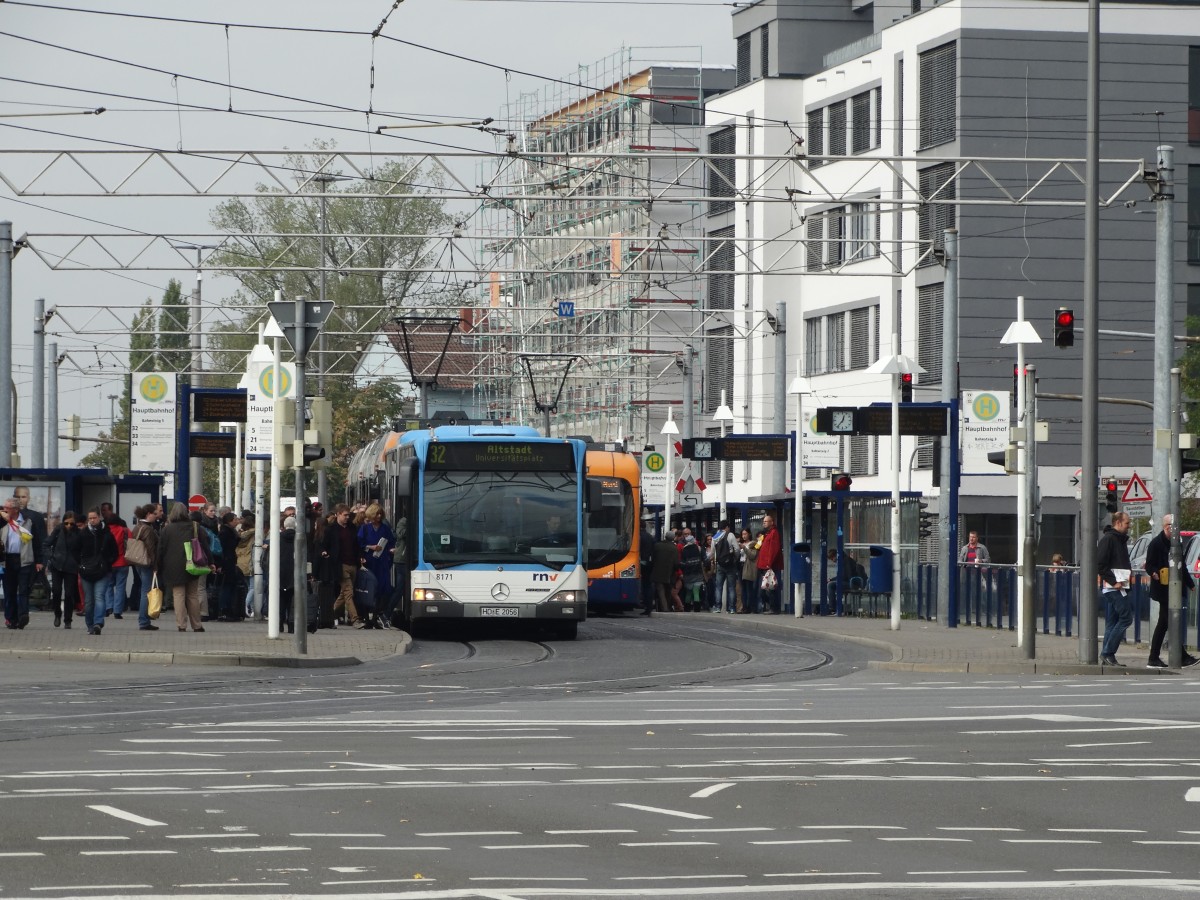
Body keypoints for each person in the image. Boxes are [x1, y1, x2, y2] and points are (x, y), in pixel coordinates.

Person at [1144, 514, 1198, 668]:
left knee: (1163, 624)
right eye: (1173, 526)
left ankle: (1154, 658)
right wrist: (1154, 573)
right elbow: (1149, 565)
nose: (1176, 529)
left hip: (1174, 588)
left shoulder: (1176, 543)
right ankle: (1182, 657)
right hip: (1163, 589)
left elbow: (1182, 565)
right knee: (1171, 622)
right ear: (1166, 527)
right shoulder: (1156, 544)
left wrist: (1190, 584)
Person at [158, 502, 205, 633]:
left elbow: (160, 549)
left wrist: (157, 566)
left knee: (178, 595)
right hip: (192, 564)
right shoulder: (195, 526)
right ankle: (197, 625)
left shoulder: (167, 529)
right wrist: (210, 562)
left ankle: (181, 625)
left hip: (173, 566)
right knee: (192, 595)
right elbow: (204, 545)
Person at [1097, 511, 1133, 667]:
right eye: (1127, 523)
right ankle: (1107, 653)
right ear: (1118, 523)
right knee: (1126, 618)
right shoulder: (1109, 540)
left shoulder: (1119, 540)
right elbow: (1100, 564)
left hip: (1119, 586)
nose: (1129, 526)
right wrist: (1114, 581)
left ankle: (1107, 655)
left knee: (1112, 622)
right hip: (1113, 588)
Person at [321, 503, 364, 628]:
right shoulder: (331, 529)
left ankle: (326, 615)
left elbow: (356, 545)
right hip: (340, 565)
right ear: (338, 515)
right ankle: (355, 620)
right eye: (345, 515)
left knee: (343, 594)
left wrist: (360, 557)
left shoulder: (352, 528)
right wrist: (325, 552)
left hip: (353, 564)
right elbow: (324, 544)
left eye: (348, 515)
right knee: (348, 592)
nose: (347, 517)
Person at [77, 507, 118, 635]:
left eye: (94, 518)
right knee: (89, 601)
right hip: (86, 571)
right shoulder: (83, 534)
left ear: (99, 517)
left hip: (102, 571)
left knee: (99, 596)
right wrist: (80, 565)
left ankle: (98, 623)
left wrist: (107, 563)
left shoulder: (106, 533)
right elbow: (75, 551)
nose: (92, 520)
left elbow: (114, 552)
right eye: (90, 518)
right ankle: (90, 624)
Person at [1, 496, 39, 629]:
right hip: (7, 560)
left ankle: (23, 616)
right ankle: (11, 619)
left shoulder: (28, 521)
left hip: (24, 560)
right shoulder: (2, 522)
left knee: (23, 590)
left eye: (7, 508)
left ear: (15, 509)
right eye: (3, 507)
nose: (4, 510)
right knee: (9, 591)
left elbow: (33, 540)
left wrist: (39, 560)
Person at [358, 502, 395, 630]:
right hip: (369, 562)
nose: (379, 516)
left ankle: (375, 617)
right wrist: (370, 547)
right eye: (376, 514)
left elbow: (391, 542)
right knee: (368, 589)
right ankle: (366, 618)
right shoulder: (365, 528)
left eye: (380, 514)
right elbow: (359, 544)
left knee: (383, 589)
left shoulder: (385, 528)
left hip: (382, 562)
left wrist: (391, 550)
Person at [45, 509, 82, 628]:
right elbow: (46, 544)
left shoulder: (79, 533)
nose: (69, 526)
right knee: (56, 591)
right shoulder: (58, 530)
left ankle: (68, 619)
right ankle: (57, 613)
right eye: (66, 523)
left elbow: (82, 548)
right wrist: (51, 557)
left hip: (71, 566)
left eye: (71, 523)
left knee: (69, 593)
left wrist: (78, 562)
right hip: (57, 565)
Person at [128, 505, 160, 631]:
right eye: (154, 513)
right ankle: (144, 621)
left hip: (138, 561)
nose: (156, 516)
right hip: (147, 562)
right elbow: (151, 548)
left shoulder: (138, 527)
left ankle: (144, 620)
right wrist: (155, 565)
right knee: (146, 592)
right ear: (148, 514)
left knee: (144, 589)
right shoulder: (148, 529)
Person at [756, 514, 783, 614]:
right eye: (763, 521)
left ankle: (774, 608)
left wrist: (769, 563)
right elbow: (759, 548)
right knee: (765, 589)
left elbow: (773, 549)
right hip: (763, 566)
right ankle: (772, 607)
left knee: (771, 588)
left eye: (766, 521)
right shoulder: (766, 534)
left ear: (772, 522)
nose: (764, 523)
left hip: (770, 566)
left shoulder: (774, 533)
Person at [711, 520, 740, 614]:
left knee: (718, 587)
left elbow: (712, 552)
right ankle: (732, 608)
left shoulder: (715, 537)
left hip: (720, 564)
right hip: (730, 564)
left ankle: (718, 607)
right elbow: (737, 549)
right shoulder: (730, 535)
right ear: (727, 527)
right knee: (731, 587)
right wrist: (735, 558)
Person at [647, 532, 679, 615]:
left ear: (665, 537)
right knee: (668, 590)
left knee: (660, 590)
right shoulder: (674, 548)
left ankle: (664, 607)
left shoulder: (657, 546)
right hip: (669, 573)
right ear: (673, 538)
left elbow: (652, 558)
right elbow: (676, 563)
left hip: (658, 572)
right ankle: (666, 606)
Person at [679, 533, 705, 612]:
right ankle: (697, 608)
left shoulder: (684, 550)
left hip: (688, 574)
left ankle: (687, 608)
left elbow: (682, 563)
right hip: (698, 573)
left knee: (689, 592)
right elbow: (704, 559)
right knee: (696, 591)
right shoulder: (698, 548)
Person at [739, 528, 759, 614]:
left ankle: (750, 606)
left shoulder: (753, 543)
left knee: (749, 588)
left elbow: (752, 555)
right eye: (742, 534)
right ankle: (744, 606)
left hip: (748, 567)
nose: (744, 536)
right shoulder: (741, 544)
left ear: (749, 534)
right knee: (743, 588)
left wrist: (744, 548)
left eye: (745, 534)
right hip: (741, 566)